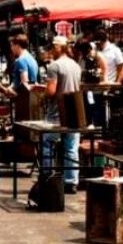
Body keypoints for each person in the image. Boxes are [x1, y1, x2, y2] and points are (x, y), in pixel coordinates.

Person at [43, 36, 82, 194]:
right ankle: (71, 181)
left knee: (47, 144)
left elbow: (51, 91)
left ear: (60, 47)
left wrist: (43, 92)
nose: (51, 49)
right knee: (71, 148)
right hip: (74, 112)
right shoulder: (75, 65)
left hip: (56, 114)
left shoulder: (54, 66)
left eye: (53, 46)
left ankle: (47, 176)